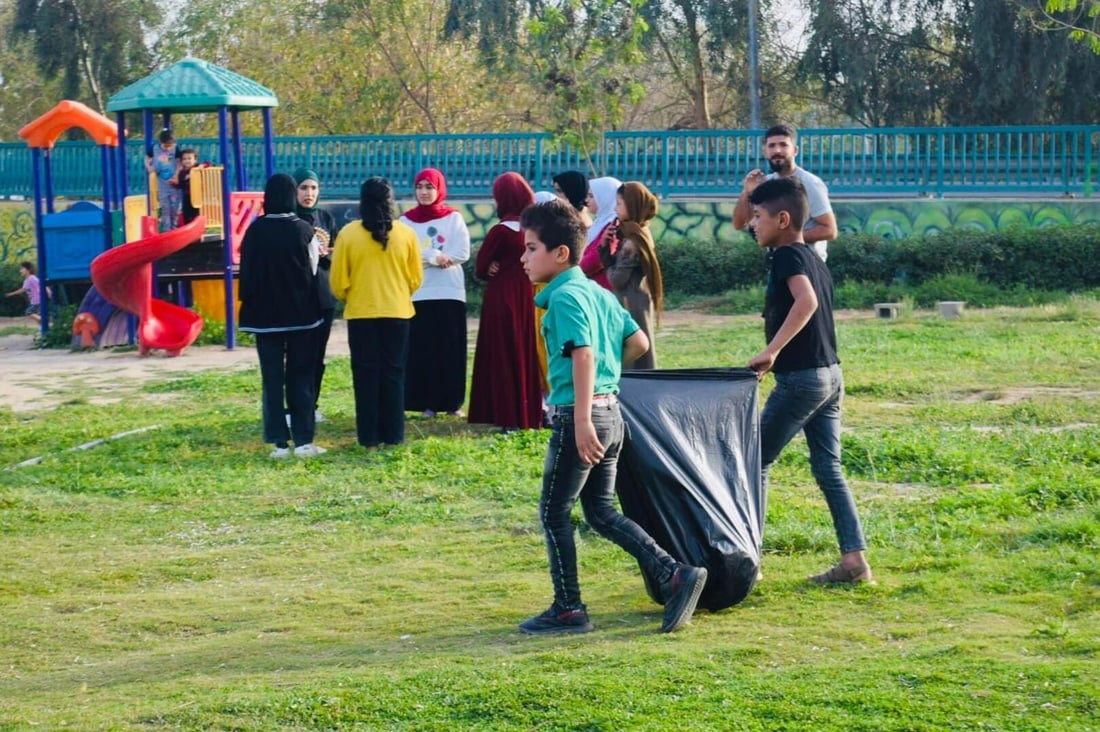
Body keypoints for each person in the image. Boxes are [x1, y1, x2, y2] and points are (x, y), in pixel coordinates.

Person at [517, 199, 708, 635]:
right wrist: (604, 382)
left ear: (560, 253)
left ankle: (568, 608)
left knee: (553, 512)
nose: (524, 258)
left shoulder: (565, 297)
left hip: (580, 418)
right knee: (600, 511)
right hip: (611, 413)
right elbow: (638, 342)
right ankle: (675, 575)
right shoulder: (597, 292)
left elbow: (582, 354)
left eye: (530, 248)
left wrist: (582, 417)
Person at [746, 177, 873, 584]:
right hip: (831, 376)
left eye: (758, 216)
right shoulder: (814, 258)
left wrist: (772, 350)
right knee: (828, 469)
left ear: (782, 220)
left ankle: (747, 561)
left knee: (753, 464)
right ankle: (854, 562)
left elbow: (807, 302)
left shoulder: (786, 256)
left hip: (802, 380)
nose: (752, 224)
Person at [331, 178, 423, 449]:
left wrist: (355, 295)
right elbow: (415, 278)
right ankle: (393, 435)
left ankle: (368, 437)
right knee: (394, 374)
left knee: (365, 375)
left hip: (361, 313)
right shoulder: (406, 234)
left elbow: (338, 281)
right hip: (398, 312)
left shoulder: (348, 234)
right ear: (390, 201)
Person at [238, 173, 326, 459]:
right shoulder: (303, 230)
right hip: (301, 316)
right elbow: (313, 269)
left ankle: (278, 443)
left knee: (272, 378)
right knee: (301, 376)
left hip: (263, 318)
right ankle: (303, 442)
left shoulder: (254, 231)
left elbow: (247, 270)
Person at [468, 172, 543, 430]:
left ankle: (506, 414)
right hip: (529, 294)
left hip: (502, 296)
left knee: (502, 352)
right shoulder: (534, 229)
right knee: (525, 350)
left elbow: (480, 268)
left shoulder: (501, 231)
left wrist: (491, 266)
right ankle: (528, 411)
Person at [399, 168, 471, 418]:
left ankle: (452, 402)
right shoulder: (406, 222)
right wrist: (433, 256)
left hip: (449, 292)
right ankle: (425, 402)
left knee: (450, 349)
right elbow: (404, 253)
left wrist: (434, 257)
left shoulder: (453, 218)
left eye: (430, 187)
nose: (424, 192)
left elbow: (462, 252)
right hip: (419, 292)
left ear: (439, 189)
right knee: (423, 350)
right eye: (420, 187)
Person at [733, 123, 837, 262]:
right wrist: (747, 192)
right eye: (772, 146)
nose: (777, 150)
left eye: (783, 145)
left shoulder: (809, 183)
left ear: (795, 150)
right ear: (765, 152)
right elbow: (740, 224)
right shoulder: (766, 183)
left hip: (806, 263)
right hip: (778, 263)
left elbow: (829, 230)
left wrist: (786, 238)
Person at [599, 181, 664, 370]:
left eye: (619, 203)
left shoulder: (633, 241)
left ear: (633, 205)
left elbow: (617, 280)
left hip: (632, 303)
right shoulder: (636, 232)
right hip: (636, 300)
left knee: (635, 353)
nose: (615, 208)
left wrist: (605, 252)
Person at [293, 167, 340, 423]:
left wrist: (329, 253)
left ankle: (313, 403)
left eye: (313, 188)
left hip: (323, 295)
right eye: (303, 188)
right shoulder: (288, 219)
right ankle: (295, 406)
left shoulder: (325, 217)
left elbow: (339, 254)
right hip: (298, 297)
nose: (309, 193)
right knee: (298, 355)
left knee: (318, 355)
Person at [579, 176, 621, 290]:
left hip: (603, 287)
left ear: (605, 197)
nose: (587, 200)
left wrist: (574, 270)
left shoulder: (613, 225)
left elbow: (597, 258)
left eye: (592, 196)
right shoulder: (601, 222)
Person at [145, 130, 181, 232]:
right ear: (160, 142)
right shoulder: (154, 149)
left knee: (174, 208)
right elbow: (147, 157)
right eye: (165, 146)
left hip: (174, 184)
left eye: (170, 145)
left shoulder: (175, 149)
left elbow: (179, 163)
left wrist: (177, 175)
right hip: (162, 184)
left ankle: (174, 228)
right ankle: (167, 230)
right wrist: (149, 167)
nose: (168, 148)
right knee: (165, 208)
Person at [175, 148, 201, 225]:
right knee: (186, 213)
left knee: (197, 213)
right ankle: (189, 228)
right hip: (187, 196)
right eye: (184, 159)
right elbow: (180, 185)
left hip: (198, 196)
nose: (187, 161)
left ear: (195, 160)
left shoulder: (197, 167)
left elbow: (209, 164)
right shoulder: (182, 172)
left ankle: (197, 231)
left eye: (189, 158)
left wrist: (203, 165)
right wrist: (175, 183)